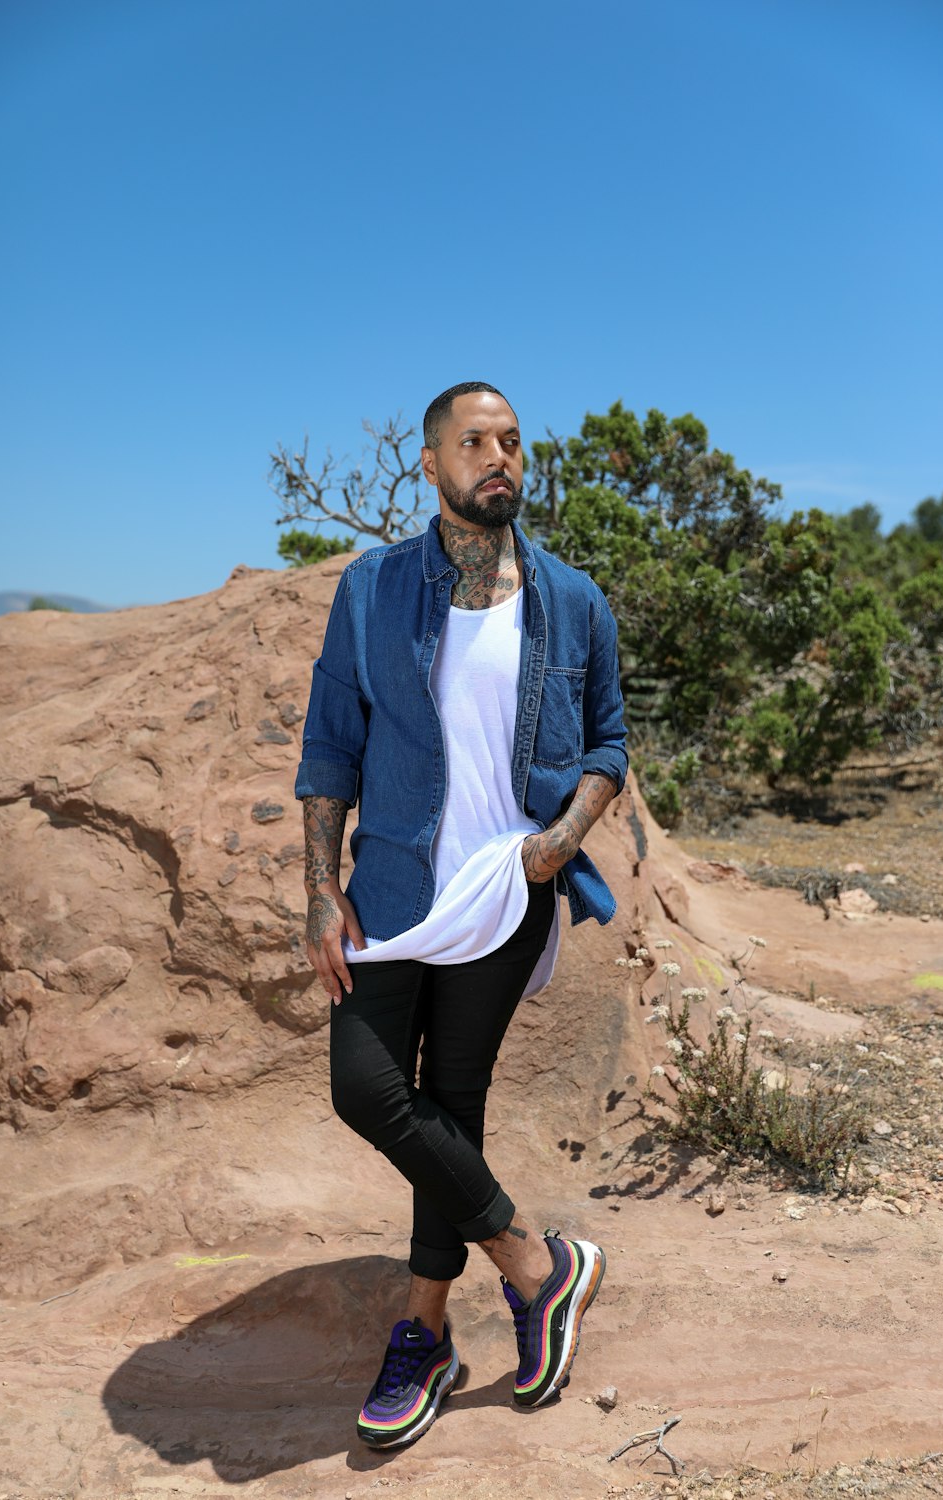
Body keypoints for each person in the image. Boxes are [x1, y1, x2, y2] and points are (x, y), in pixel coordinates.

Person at [295, 381, 628, 1449]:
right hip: (392, 889)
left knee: (453, 1099)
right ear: (430, 464)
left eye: (514, 444)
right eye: (475, 442)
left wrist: (558, 844)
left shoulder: (571, 600)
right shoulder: (375, 589)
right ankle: (536, 1266)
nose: (501, 459)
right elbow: (330, 742)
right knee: (366, 1087)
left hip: (506, 888)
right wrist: (318, 887)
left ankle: (422, 1331)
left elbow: (608, 750)